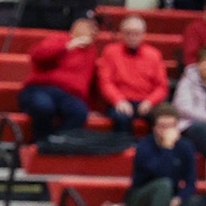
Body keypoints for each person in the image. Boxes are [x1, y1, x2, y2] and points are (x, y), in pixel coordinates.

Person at [19, 15, 99, 143]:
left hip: (70, 95)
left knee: (79, 112)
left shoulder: (91, 52)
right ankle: (40, 144)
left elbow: (89, 83)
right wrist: (67, 46)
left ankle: (57, 144)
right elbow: (37, 55)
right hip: (42, 88)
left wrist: (91, 107)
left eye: (94, 29)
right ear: (75, 28)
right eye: (88, 27)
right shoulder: (59, 39)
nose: (92, 31)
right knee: (43, 106)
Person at [124, 105, 194, 206]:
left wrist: (178, 199)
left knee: (193, 204)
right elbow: (161, 172)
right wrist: (167, 147)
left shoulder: (185, 147)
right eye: (163, 126)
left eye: (171, 126)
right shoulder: (144, 146)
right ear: (154, 127)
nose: (167, 131)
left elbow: (190, 181)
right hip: (140, 196)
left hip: (170, 197)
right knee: (164, 185)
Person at [97, 15, 167, 135]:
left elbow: (161, 86)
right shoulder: (111, 52)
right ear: (121, 34)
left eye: (136, 33)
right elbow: (105, 82)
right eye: (128, 33)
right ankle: (124, 150)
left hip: (146, 101)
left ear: (143, 34)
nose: (132, 37)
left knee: (163, 117)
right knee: (121, 117)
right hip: (121, 101)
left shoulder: (154, 55)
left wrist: (149, 101)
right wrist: (118, 100)